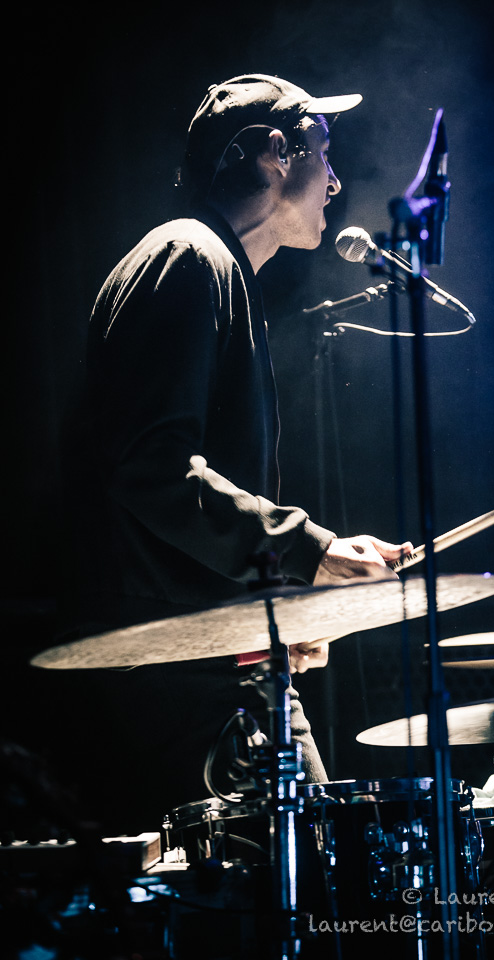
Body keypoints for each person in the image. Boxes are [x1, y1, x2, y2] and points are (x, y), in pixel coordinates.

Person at [44, 75, 411, 836]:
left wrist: (270, 614)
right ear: (277, 153)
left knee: (309, 875)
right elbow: (151, 467)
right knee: (306, 880)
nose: (335, 182)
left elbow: (164, 503)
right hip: (181, 688)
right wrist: (306, 549)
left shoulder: (211, 267)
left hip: (200, 670)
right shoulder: (187, 255)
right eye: (324, 155)